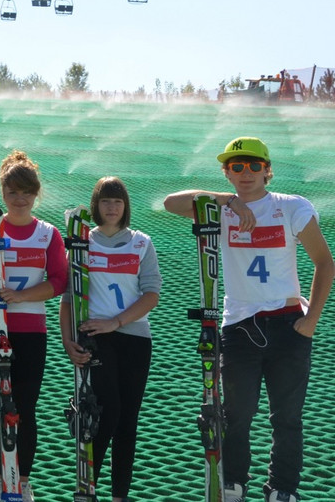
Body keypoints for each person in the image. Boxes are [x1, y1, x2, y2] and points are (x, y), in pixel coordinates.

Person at [163, 137, 332, 502]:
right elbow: (171, 202)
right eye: (236, 166)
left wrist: (311, 322)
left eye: (255, 165)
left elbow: (324, 263)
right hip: (239, 327)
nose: (246, 173)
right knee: (236, 414)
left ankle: (282, 489)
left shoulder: (291, 206)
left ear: (267, 170)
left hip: (288, 324)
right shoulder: (219, 209)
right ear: (226, 173)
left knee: (286, 418)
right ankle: (235, 484)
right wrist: (228, 201)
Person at [0, 150, 68, 502]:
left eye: (26, 192)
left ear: (36, 194)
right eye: (12, 192)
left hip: (30, 329)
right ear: (3, 193)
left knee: (23, 407)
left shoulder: (48, 234)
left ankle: (21, 482)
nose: (19, 199)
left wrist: (21, 296)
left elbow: (59, 281)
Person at [59, 177, 160, 502]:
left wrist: (116, 322)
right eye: (105, 201)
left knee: (128, 420)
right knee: (107, 412)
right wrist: (67, 341)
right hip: (96, 338)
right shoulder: (81, 242)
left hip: (135, 338)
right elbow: (67, 299)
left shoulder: (141, 242)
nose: (112, 207)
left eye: (118, 201)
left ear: (125, 205)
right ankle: (88, 489)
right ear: (96, 205)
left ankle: (119, 496)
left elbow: (151, 294)